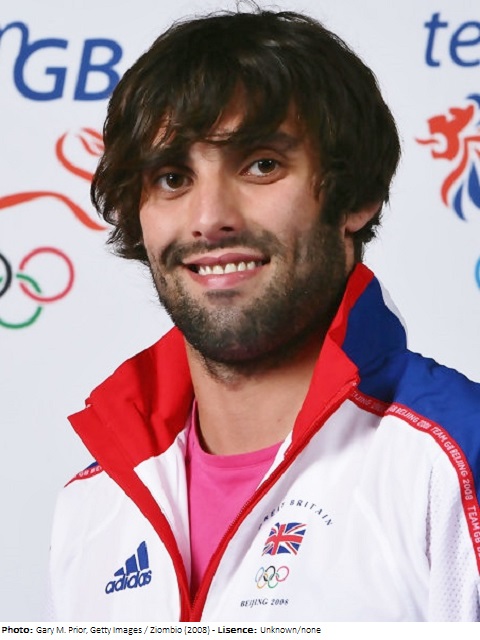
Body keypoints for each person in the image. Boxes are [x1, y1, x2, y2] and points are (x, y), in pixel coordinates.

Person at [49, 7, 480, 622]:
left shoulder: (457, 458)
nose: (209, 218)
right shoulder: (92, 504)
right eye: (172, 177)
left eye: (261, 166)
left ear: (356, 195)